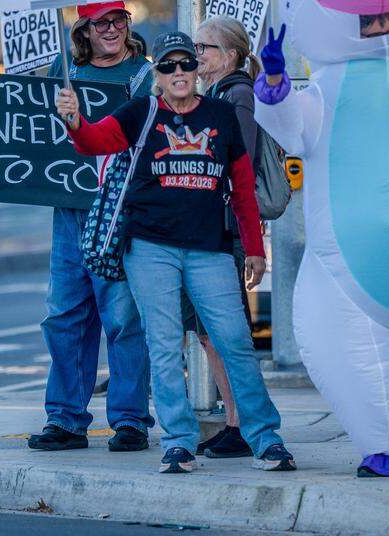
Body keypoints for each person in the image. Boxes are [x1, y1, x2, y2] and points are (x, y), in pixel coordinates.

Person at [56, 32, 295, 474]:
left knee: (237, 343)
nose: (179, 72)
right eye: (168, 66)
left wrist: (254, 251)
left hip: (211, 252)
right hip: (149, 250)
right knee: (164, 347)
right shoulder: (142, 113)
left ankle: (266, 439)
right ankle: (179, 442)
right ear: (158, 76)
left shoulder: (222, 116)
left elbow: (241, 190)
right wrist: (74, 121)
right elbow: (94, 142)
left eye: (187, 64)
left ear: (196, 72)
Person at [0, 1, 154, 452]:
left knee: (124, 318)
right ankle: (66, 419)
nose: (111, 30)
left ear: (128, 24)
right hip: (69, 212)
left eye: (119, 20)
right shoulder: (62, 67)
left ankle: (130, 420)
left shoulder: (145, 75)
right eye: (101, 23)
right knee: (65, 316)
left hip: (121, 214)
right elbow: (26, 111)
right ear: (84, 31)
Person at [185, 16, 262, 459]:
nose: (197, 56)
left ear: (230, 55)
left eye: (205, 47)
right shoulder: (215, 93)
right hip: (213, 228)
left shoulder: (238, 96)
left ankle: (243, 422)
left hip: (227, 230)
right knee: (210, 334)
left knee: (227, 334)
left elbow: (239, 166)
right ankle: (236, 419)